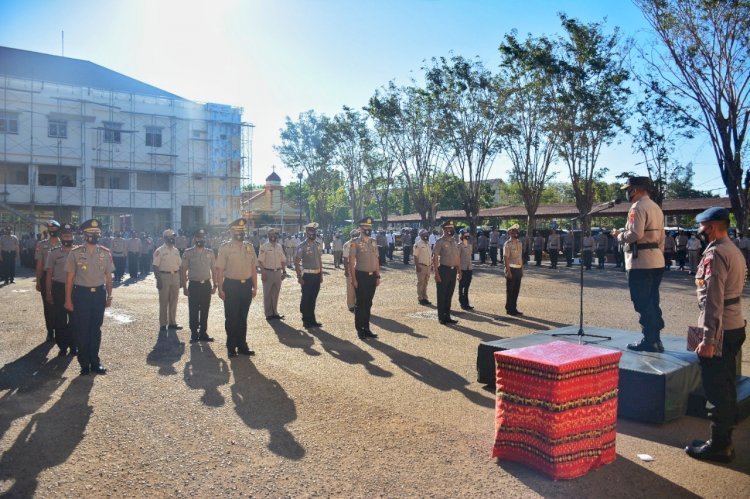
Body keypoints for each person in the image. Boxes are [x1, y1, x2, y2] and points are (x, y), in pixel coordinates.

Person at [685, 207, 746, 463]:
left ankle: (720, 445)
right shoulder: (733, 249)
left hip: (719, 329)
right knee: (727, 386)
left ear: (710, 227)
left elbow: (713, 299)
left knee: (716, 390)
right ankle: (724, 439)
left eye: (702, 226)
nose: (699, 230)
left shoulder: (717, 252)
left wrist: (709, 339)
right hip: (733, 325)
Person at [614, 176, 665, 353]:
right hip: (655, 259)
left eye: (628, 190)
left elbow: (635, 234)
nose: (627, 194)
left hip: (640, 261)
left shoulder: (637, 207)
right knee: (652, 300)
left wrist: (619, 236)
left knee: (642, 301)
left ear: (634, 190)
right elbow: (662, 237)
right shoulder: (656, 207)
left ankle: (650, 340)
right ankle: (655, 339)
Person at [64, 219, 113, 375]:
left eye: (97, 234)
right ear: (84, 235)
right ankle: (84, 363)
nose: (94, 236)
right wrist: (68, 299)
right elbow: (70, 279)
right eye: (91, 234)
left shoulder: (105, 253)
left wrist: (109, 295)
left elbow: (109, 277)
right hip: (81, 295)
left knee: (95, 330)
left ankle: (95, 362)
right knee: (82, 330)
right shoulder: (75, 253)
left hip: (98, 294)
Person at [216, 218, 258, 357]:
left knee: (242, 317)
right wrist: (220, 288)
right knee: (231, 317)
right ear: (231, 232)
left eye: (242, 230)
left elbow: (253, 268)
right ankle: (231, 347)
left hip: (246, 285)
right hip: (231, 285)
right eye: (237, 230)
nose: (240, 233)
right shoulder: (225, 248)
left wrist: (255, 287)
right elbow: (220, 270)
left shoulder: (249, 246)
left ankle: (242, 345)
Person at [45, 223, 77, 356]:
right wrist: (48, 292)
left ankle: (73, 346)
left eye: (70, 235)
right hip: (59, 288)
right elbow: (49, 274)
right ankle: (62, 346)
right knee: (60, 319)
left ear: (73, 236)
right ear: (61, 236)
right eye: (65, 235)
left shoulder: (79, 252)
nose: (68, 238)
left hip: (75, 289)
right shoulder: (53, 253)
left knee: (75, 319)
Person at [180, 229, 217, 344]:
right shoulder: (188, 253)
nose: (200, 239)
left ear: (205, 238)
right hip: (194, 285)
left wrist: (215, 285)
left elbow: (214, 270)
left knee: (205, 310)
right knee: (193, 310)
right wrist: (184, 287)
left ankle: (203, 333)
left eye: (202, 237)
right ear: (194, 239)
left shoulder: (210, 252)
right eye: (198, 237)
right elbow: (183, 270)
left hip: (206, 284)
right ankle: (194, 333)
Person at [349, 217, 380, 339]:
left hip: (372, 276)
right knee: (360, 303)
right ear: (360, 229)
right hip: (360, 276)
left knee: (368, 303)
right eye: (366, 227)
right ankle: (360, 329)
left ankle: (366, 328)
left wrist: (378, 276)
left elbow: (377, 260)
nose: (368, 229)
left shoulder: (373, 242)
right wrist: (353, 279)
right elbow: (351, 262)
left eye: (370, 227)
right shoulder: (355, 243)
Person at [35, 220, 61, 342]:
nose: (52, 232)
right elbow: (39, 264)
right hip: (46, 277)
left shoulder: (64, 244)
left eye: (54, 230)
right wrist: (38, 280)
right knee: (48, 305)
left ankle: (61, 330)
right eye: (50, 230)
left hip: (61, 277)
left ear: (58, 230)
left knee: (60, 305)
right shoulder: (42, 244)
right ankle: (50, 331)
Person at [152, 229, 183, 331]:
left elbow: (180, 265)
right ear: (165, 238)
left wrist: (182, 279)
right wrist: (158, 280)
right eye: (171, 237)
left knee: (174, 300)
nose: (173, 238)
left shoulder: (176, 250)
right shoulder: (159, 251)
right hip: (164, 277)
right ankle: (163, 324)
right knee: (164, 301)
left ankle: (172, 323)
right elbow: (155, 266)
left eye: (173, 237)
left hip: (175, 276)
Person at [295, 222, 324, 329]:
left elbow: (320, 260)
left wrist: (321, 274)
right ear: (306, 232)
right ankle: (305, 320)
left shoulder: (317, 244)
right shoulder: (301, 246)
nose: (313, 233)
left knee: (313, 298)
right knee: (306, 298)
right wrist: (299, 277)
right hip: (307, 276)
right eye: (311, 231)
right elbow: (297, 262)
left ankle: (312, 320)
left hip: (316, 275)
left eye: (314, 231)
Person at [432, 221, 461, 325]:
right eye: (448, 228)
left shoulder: (454, 241)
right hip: (443, 270)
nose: (450, 230)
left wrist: (459, 271)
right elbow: (435, 257)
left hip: (453, 271)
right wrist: (436, 273)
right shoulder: (440, 241)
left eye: (451, 228)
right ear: (444, 229)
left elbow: (457, 257)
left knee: (449, 294)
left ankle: (448, 316)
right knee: (442, 295)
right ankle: (441, 317)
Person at [258, 228, 288, 320]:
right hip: (268, 272)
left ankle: (275, 312)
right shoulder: (264, 247)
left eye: (274, 235)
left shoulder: (279, 246)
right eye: (271, 235)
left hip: (278, 272)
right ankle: (268, 313)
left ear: (276, 236)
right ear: (268, 236)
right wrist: (263, 273)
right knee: (267, 293)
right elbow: (260, 261)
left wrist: (284, 271)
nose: (273, 236)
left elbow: (282, 260)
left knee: (276, 293)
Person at [503, 224, 524, 316]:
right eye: (514, 232)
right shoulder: (507, 244)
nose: (516, 233)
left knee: (516, 290)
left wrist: (522, 269)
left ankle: (514, 308)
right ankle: (509, 308)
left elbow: (520, 257)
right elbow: (506, 258)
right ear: (510, 233)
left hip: (518, 269)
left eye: (516, 231)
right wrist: (508, 271)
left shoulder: (519, 243)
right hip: (511, 269)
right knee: (510, 291)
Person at [414, 229, 432, 305]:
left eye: (427, 234)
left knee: (426, 283)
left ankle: (425, 298)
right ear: (420, 235)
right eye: (424, 234)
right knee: (421, 283)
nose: (426, 236)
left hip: (428, 266)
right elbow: (415, 256)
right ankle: (420, 298)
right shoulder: (418, 244)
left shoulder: (428, 243)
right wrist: (417, 266)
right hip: (421, 266)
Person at [342, 229, 359, 312]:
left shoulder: (360, 243)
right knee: (350, 287)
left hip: (359, 267)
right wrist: (346, 270)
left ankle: (357, 303)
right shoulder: (347, 244)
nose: (356, 236)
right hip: (350, 267)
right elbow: (345, 258)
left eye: (357, 234)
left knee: (359, 286)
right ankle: (351, 305)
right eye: (355, 235)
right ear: (351, 236)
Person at [458, 231, 474, 310]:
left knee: (467, 287)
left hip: (469, 268)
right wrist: (459, 271)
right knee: (462, 287)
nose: (467, 236)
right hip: (462, 269)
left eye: (468, 235)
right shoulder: (459, 245)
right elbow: (458, 259)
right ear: (461, 236)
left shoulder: (470, 245)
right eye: (465, 235)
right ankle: (462, 303)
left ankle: (466, 302)